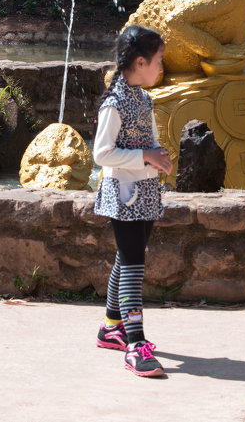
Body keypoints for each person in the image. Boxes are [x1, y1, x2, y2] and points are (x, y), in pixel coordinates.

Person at [93, 24, 173, 378]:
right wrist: (144, 155)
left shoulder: (142, 97)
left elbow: (148, 142)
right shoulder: (115, 102)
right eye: (158, 61)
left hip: (146, 191)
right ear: (139, 62)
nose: (161, 68)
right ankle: (134, 344)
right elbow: (102, 153)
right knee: (134, 265)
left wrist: (157, 157)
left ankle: (111, 326)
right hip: (123, 195)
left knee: (126, 261)